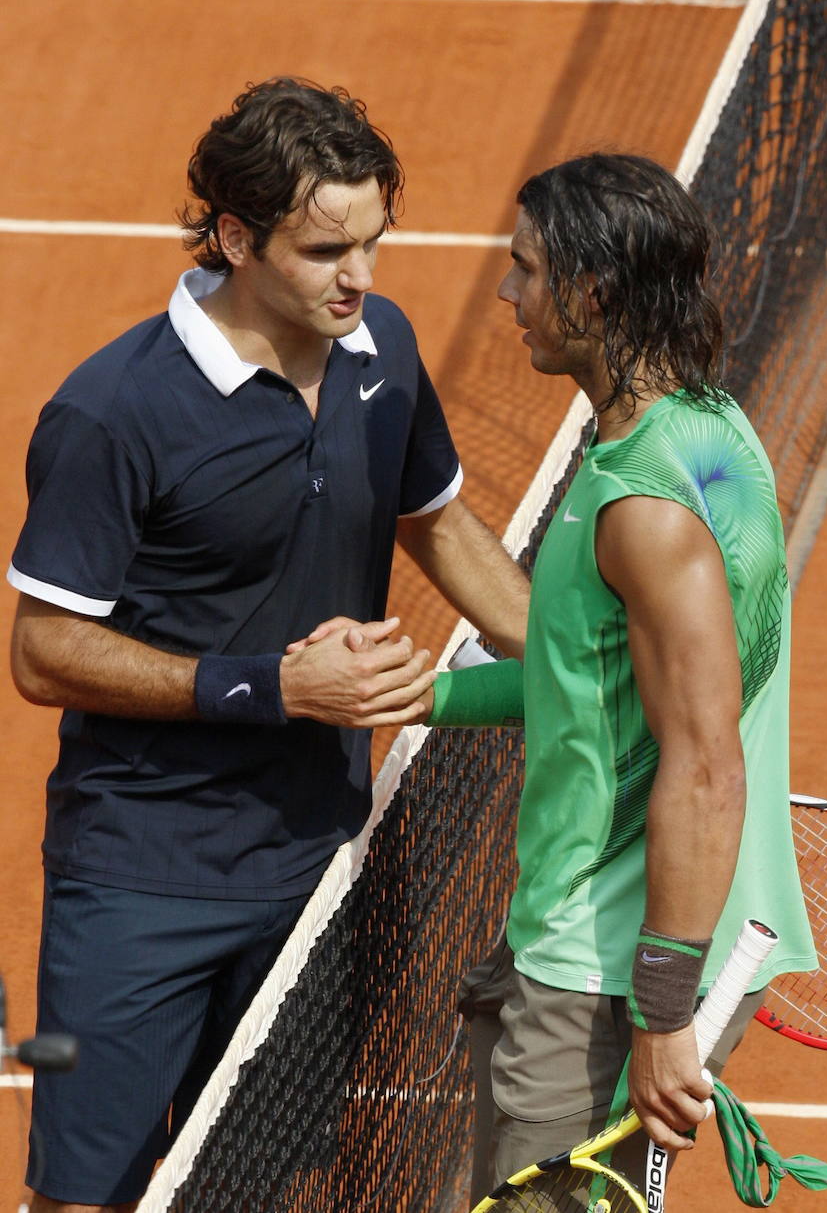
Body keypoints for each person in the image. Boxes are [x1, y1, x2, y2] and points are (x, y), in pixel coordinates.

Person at [7, 76, 530, 1213]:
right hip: (144, 874)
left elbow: (433, 516)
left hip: (313, 857)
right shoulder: (113, 414)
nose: (359, 278)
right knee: (84, 1193)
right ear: (235, 236)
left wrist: (570, 655)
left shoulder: (378, 346)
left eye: (373, 245)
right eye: (324, 249)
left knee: (262, 1185)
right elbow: (44, 652)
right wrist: (274, 686)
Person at [382, 152, 817, 1206]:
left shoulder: (642, 512)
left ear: (591, 292)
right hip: (649, 946)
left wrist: (662, 1017)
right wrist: (429, 697)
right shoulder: (715, 436)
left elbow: (706, 765)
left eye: (528, 270)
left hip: (605, 975)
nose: (508, 293)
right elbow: (597, 682)